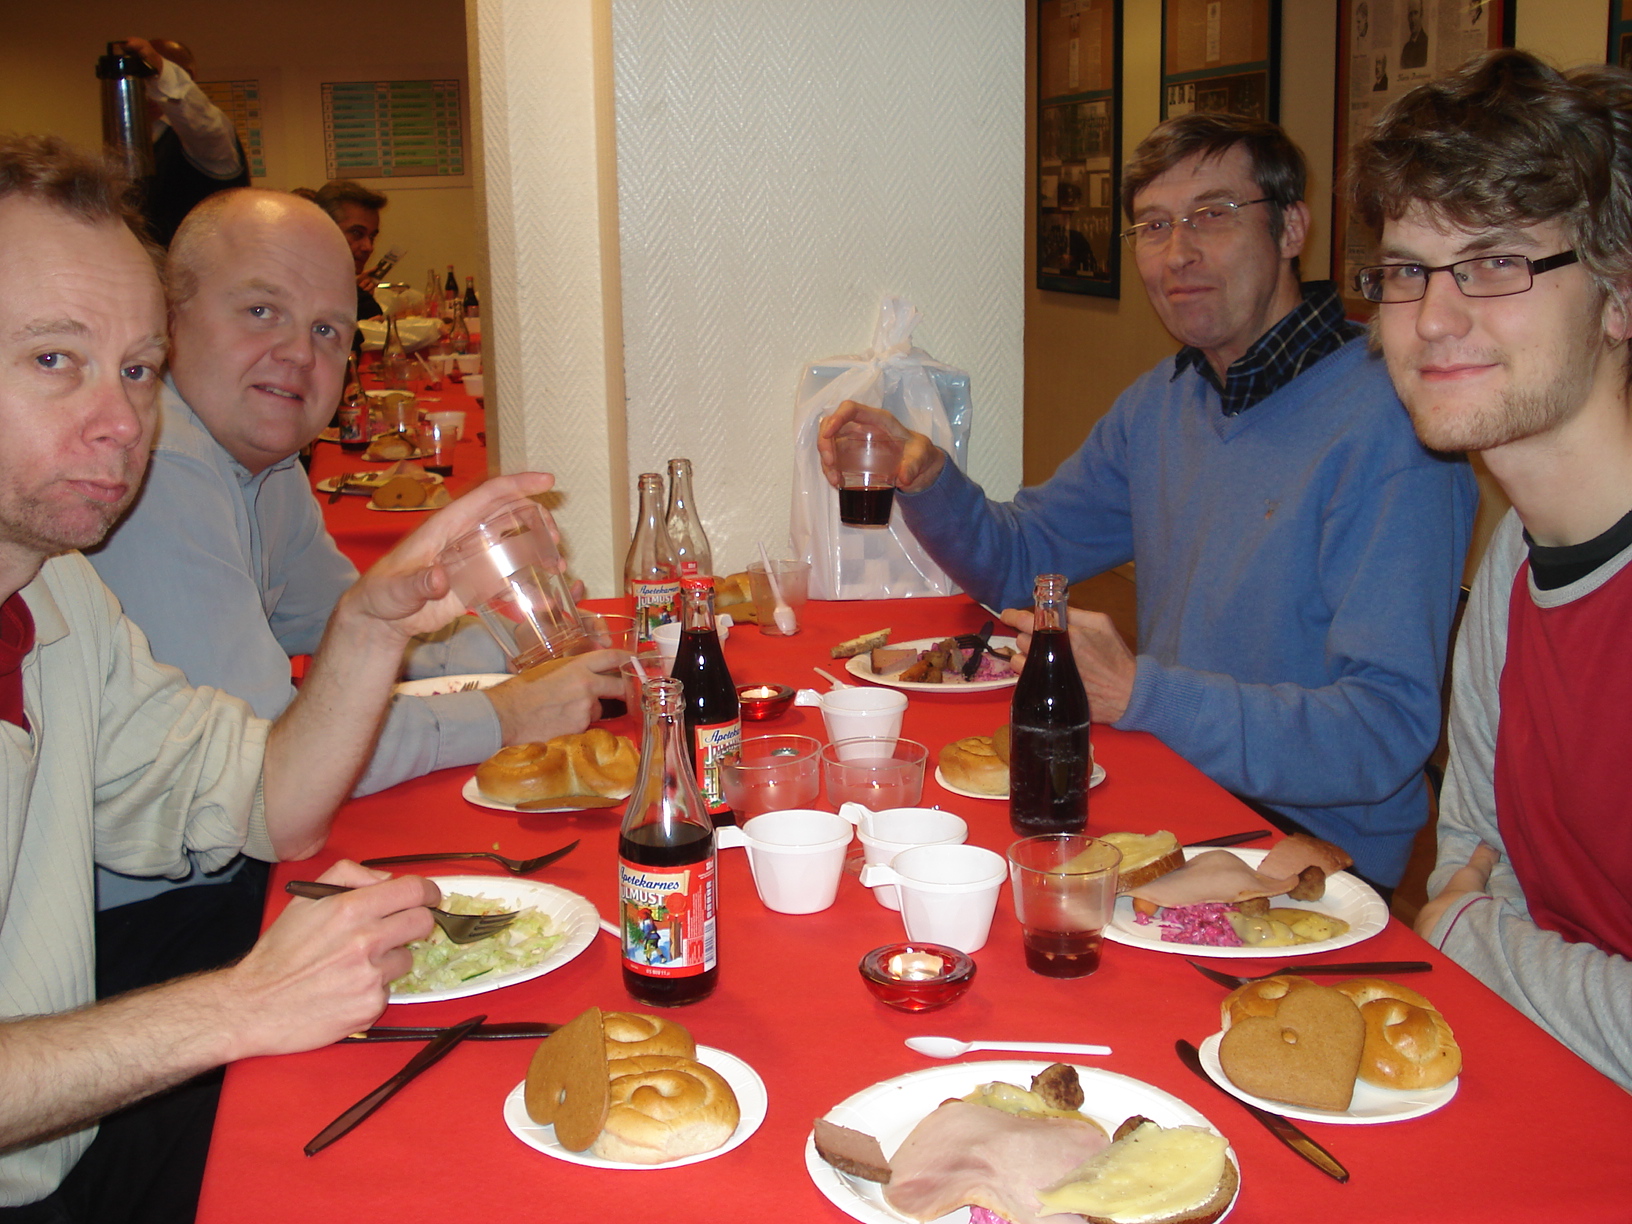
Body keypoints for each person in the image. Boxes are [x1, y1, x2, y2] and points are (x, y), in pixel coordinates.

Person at [0, 132, 552, 1219]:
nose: (123, 423)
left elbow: (268, 799)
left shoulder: (61, 599)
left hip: (69, 1144)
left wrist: (365, 628)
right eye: (54, 359)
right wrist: (239, 1006)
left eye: (136, 369)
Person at [819, 113, 1476, 890]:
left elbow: (1384, 733)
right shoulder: (1165, 403)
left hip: (1304, 851)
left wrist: (1142, 695)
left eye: (1213, 216)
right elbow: (1023, 562)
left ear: (1293, 227)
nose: (1179, 253)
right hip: (1172, 787)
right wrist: (924, 476)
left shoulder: (1396, 426)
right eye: (1154, 227)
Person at [87, 187, 624, 995]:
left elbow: (370, 635)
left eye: (327, 331)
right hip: (147, 928)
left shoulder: (259, 467)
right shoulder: (159, 473)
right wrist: (506, 714)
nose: (299, 355)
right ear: (169, 318)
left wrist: (542, 636)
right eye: (262, 311)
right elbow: (281, 760)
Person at [1349, 49, 1632, 1088]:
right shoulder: (1515, 552)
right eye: (1409, 270)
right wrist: (1471, 925)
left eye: (1499, 262)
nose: (1433, 316)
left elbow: (1466, 913)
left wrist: (1472, 939)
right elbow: (1474, 852)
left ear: (1617, 297)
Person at [116, 36, 250, 246]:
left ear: (187, 77)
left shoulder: (208, 136)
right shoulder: (139, 138)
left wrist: (160, 70)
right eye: (141, 80)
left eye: (152, 79)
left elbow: (203, 125)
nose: (148, 90)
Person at [314, 178, 389, 319]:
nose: (369, 247)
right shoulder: (298, 290)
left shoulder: (353, 292)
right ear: (322, 229)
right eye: (357, 233)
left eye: (372, 237)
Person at [1400, 0, 1429, 70]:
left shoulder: (1427, 44)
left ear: (1421, 15)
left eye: (1415, 13)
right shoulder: (1406, 49)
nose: (1412, 19)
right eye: (1410, 14)